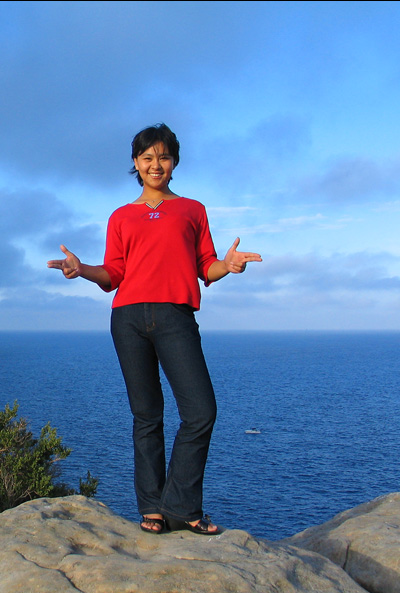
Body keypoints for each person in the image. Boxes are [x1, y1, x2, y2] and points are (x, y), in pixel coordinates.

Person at [47, 123, 261, 535]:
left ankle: (181, 505)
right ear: (136, 163)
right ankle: (153, 509)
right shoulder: (121, 216)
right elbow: (114, 272)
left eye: (163, 157)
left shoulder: (192, 210)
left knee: (200, 412)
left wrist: (229, 266)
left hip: (175, 316)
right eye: (147, 158)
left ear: (174, 161)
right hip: (127, 318)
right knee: (146, 416)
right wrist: (82, 269)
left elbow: (206, 267)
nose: (155, 165)